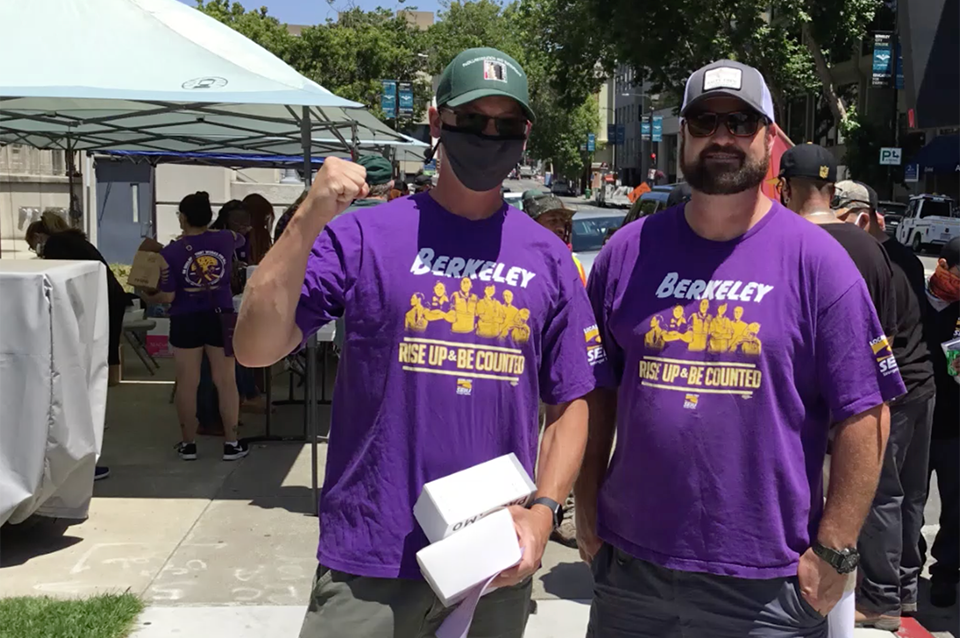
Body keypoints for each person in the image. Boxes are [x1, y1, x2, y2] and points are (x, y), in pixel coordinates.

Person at [235, 47, 596, 638]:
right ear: (435, 123)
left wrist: (543, 512)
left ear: (525, 134)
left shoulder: (549, 258)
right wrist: (307, 217)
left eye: (506, 125)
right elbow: (254, 347)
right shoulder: (363, 235)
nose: (489, 135)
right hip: (370, 563)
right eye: (472, 120)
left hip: (492, 564)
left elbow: (571, 403)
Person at [577, 60, 905, 638]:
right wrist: (586, 508)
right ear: (684, 133)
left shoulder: (818, 262)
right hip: (631, 572)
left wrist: (836, 549)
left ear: (769, 139)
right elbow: (595, 393)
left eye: (741, 122)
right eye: (705, 120)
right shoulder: (627, 254)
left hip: (766, 588)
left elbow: (866, 411)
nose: (722, 136)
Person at [825, 181, 936, 627]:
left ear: (861, 216)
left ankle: (881, 598)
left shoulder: (868, 258)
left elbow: (874, 336)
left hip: (896, 389)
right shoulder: (900, 257)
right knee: (910, 496)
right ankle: (905, 591)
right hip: (921, 382)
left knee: (880, 494)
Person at [141, 192, 249, 462]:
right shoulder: (226, 239)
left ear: (183, 217)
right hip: (220, 316)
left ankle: (188, 444)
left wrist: (147, 296)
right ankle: (232, 443)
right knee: (226, 381)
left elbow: (167, 296)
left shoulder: (170, 253)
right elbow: (241, 238)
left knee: (188, 383)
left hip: (185, 318)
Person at [25, 211, 127, 482]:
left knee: (83, 374)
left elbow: (59, 285)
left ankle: (84, 453)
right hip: (107, 302)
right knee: (95, 370)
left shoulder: (57, 245)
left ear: (38, 236)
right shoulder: (74, 240)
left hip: (96, 306)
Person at [921, 237, 960, 607]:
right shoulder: (915, 299)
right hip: (916, 421)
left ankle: (946, 572)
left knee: (956, 507)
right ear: (943, 267)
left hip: (955, 428)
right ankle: (908, 563)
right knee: (908, 503)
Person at [521, 191, 587, 286]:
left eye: (562, 221)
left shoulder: (575, 265)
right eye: (552, 221)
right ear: (532, 224)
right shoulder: (518, 261)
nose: (560, 227)